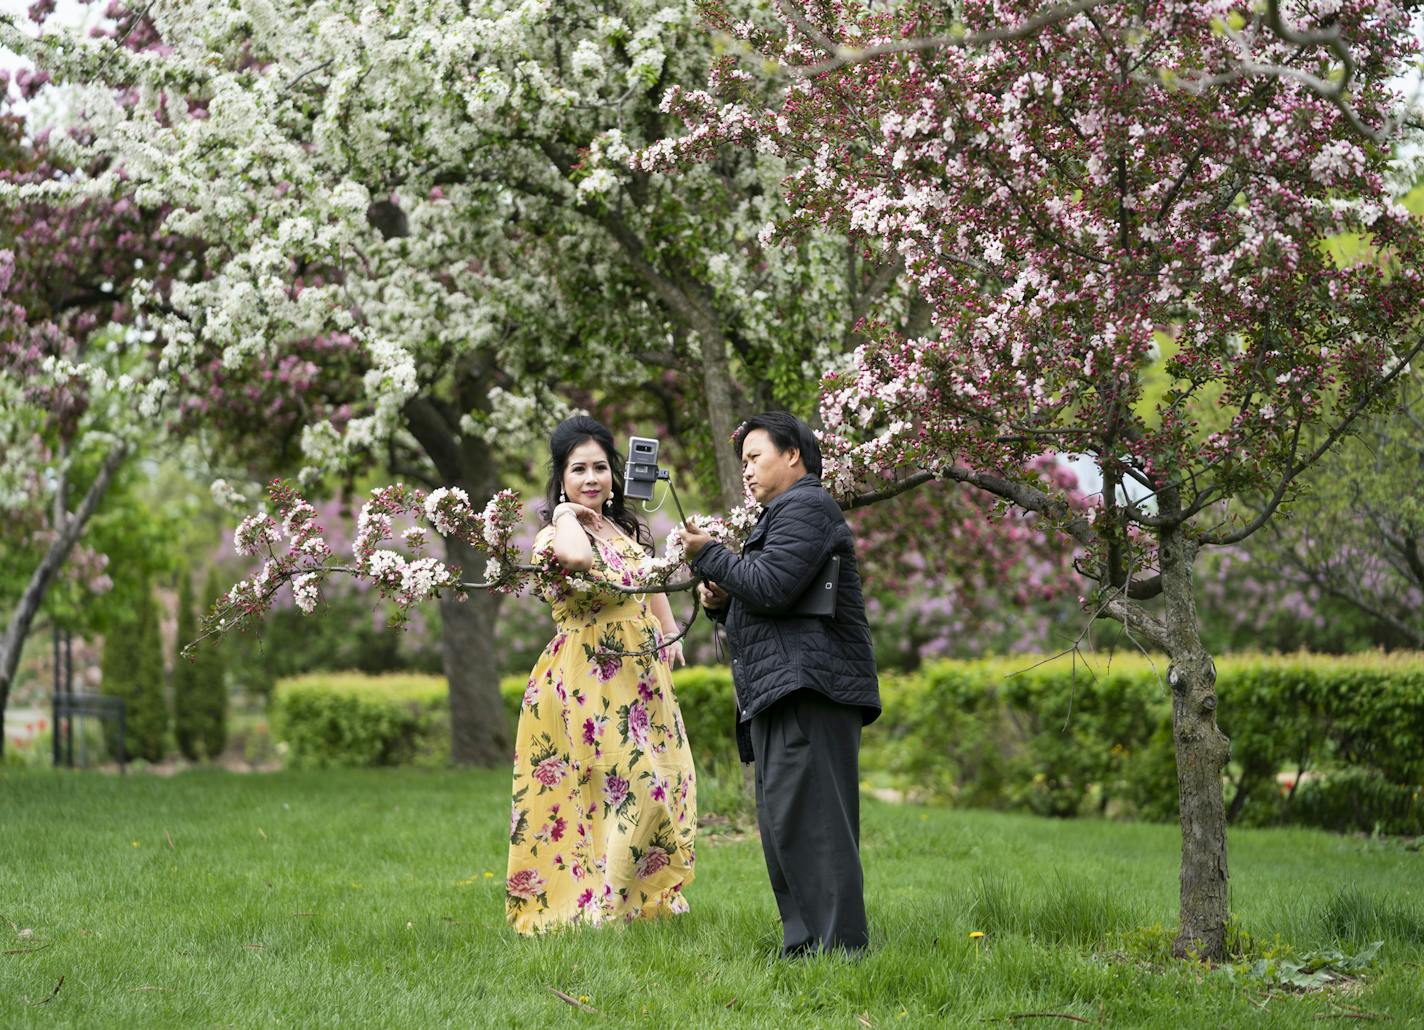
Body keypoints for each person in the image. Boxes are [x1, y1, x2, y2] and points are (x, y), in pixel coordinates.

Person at [677, 411, 880, 957]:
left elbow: (772, 586)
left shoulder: (807, 505)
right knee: (786, 825)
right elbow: (771, 601)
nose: (746, 471)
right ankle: (808, 946)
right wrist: (723, 601)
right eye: (742, 462)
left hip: (810, 689)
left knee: (815, 824)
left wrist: (710, 554)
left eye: (754, 458)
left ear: (793, 455)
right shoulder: (783, 515)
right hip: (785, 687)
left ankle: (841, 950)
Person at [505, 415, 696, 934]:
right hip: (588, 675)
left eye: (600, 468)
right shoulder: (556, 532)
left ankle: (641, 902)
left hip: (639, 674)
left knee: (663, 782)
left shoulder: (627, 528)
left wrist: (667, 627)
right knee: (627, 786)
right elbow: (577, 558)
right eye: (578, 470)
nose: (592, 479)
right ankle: (605, 907)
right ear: (562, 478)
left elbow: (649, 575)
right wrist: (569, 512)